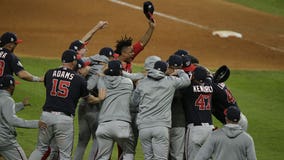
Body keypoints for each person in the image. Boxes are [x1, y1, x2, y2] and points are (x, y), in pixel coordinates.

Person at [28, 49, 106, 160]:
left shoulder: (49, 73)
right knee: (65, 155)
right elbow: (89, 99)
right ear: (74, 62)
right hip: (64, 120)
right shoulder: (79, 80)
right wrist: (99, 99)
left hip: (46, 116)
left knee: (40, 149)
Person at [131, 60, 190, 160]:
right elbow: (187, 81)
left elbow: (133, 102)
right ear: (165, 70)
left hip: (144, 126)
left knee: (148, 158)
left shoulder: (142, 83)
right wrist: (179, 71)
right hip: (161, 126)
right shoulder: (170, 81)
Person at [114, 19, 155, 159]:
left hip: (127, 107)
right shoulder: (114, 64)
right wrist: (138, 77)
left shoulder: (127, 59)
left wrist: (151, 28)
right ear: (123, 53)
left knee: (124, 145)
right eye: (130, 52)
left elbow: (141, 43)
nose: (133, 53)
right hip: (116, 108)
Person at [0, 75, 47, 160]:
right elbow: (12, 120)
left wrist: (21, 105)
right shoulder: (8, 99)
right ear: (11, 87)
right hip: (6, 142)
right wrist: (36, 123)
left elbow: (4, 110)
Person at [95, 60, 135, 160]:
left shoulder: (101, 81)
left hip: (103, 126)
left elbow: (101, 75)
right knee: (129, 152)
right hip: (122, 126)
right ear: (121, 71)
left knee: (103, 157)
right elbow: (132, 77)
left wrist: (103, 72)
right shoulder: (128, 83)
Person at [181, 66, 214, 160]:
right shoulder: (210, 86)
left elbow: (183, 83)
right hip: (210, 129)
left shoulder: (189, 89)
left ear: (194, 77)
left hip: (195, 130)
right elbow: (209, 77)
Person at [166, 55, 187, 160]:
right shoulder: (186, 81)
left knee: (162, 155)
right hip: (179, 123)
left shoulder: (162, 80)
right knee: (177, 155)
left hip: (165, 124)